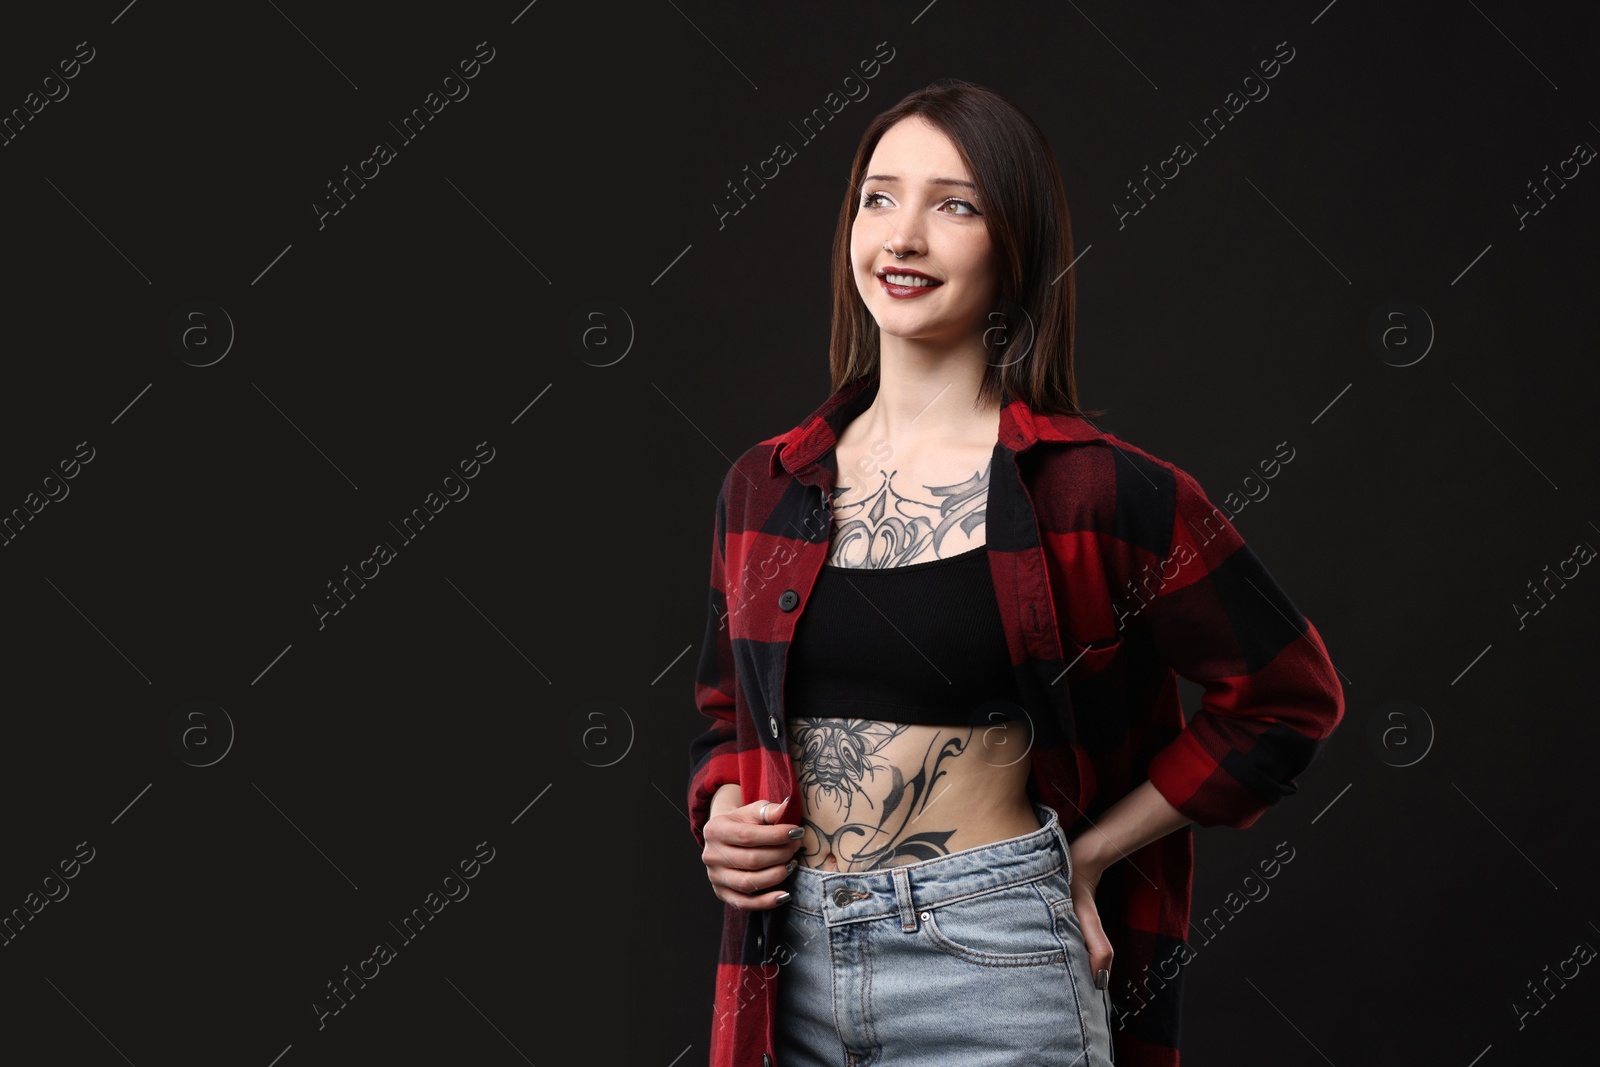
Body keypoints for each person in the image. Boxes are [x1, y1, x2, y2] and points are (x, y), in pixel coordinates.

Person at [687, 78, 1345, 1067]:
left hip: (990, 958)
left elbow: (1286, 698)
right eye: (879, 196)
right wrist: (721, 806)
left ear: (1017, 248)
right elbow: (725, 718)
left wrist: (1077, 859)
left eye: (954, 204)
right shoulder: (763, 485)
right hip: (791, 966)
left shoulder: (1099, 493)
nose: (901, 237)